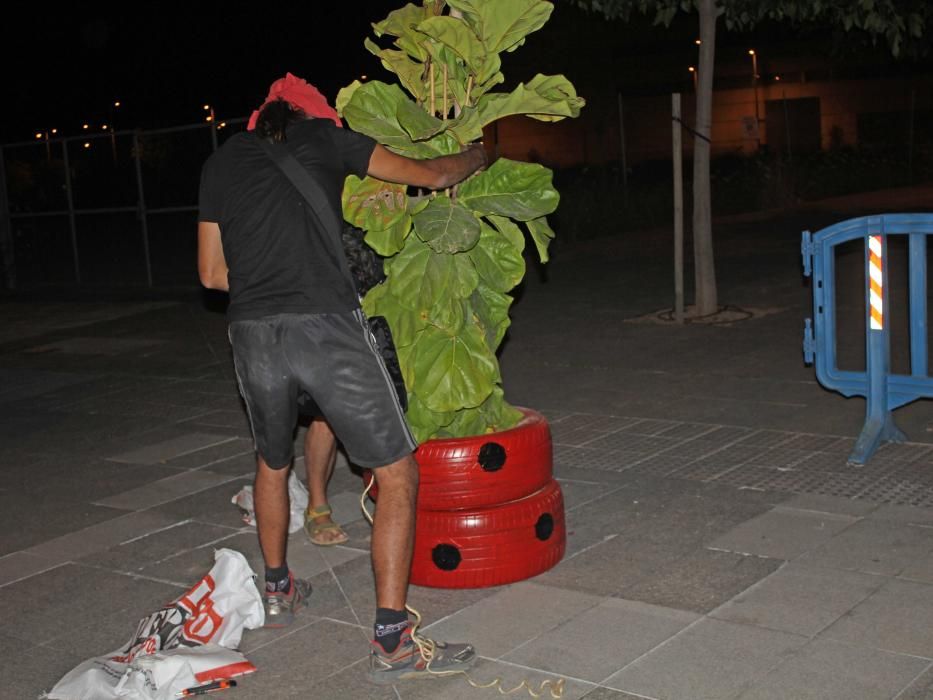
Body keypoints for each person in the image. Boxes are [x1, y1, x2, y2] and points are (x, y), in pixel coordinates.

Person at [197, 73, 487, 684]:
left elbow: (211, 274)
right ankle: (391, 640)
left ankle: (277, 591)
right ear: (312, 116)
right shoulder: (327, 140)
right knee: (396, 471)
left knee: (273, 463)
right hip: (326, 325)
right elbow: (432, 174)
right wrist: (481, 152)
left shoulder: (222, 162)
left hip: (252, 330)